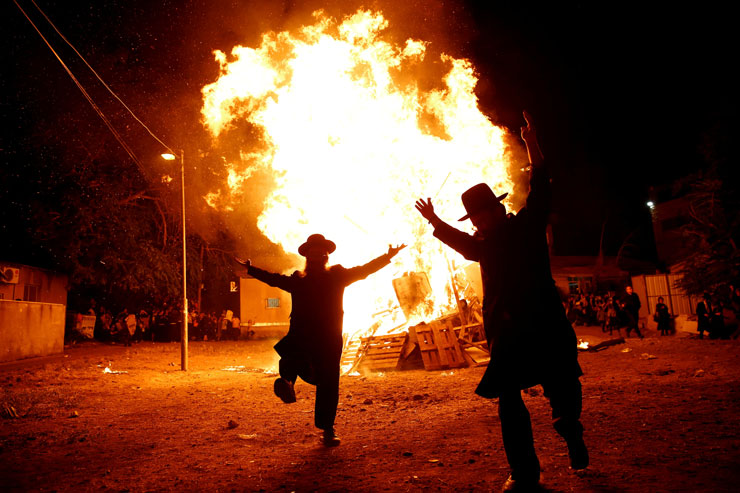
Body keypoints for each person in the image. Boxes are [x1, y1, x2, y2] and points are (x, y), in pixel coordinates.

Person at [415, 112, 588, 490]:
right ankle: (526, 470)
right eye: (473, 218)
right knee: (511, 401)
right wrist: (436, 221)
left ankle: (567, 425)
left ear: (497, 209)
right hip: (514, 332)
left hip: (535, 326)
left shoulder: (521, 228)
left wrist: (532, 143)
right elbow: (463, 243)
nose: (476, 223)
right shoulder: (484, 243)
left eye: (479, 215)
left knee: (561, 384)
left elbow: (541, 187)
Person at [235, 234, 405, 447]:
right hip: (303, 335)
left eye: (321, 251)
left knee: (328, 383)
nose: (318, 254)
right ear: (308, 256)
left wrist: (386, 257)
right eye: (314, 251)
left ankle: (327, 428)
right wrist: (252, 270)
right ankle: (287, 382)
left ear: (326, 256)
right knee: (292, 354)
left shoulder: (337, 275)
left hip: (328, 338)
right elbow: (275, 279)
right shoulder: (298, 280)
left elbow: (364, 271)